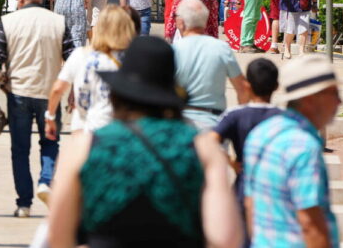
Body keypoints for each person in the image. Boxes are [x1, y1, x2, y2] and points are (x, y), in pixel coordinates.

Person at [45, 35, 243, 248]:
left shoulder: (83, 147)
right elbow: (225, 238)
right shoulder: (203, 148)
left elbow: (58, 235)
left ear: (116, 93)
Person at [243, 55, 342, 248]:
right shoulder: (304, 147)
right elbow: (309, 224)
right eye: (333, 93)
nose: (340, 101)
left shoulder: (261, 133)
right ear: (310, 98)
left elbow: (250, 204)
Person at [0, 0, 68, 216]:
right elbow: (71, 54)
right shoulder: (58, 21)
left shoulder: (8, 21)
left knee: (20, 149)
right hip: (49, 92)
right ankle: (46, 181)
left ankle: (24, 203)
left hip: (19, 92)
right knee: (50, 142)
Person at [47, 6, 136, 136]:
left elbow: (57, 89)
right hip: (117, 130)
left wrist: (50, 116)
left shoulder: (80, 54)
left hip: (83, 131)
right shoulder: (130, 59)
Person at [209, 59, 282, 215]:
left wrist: (230, 162)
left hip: (243, 188)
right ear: (276, 86)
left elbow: (210, 141)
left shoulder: (235, 115)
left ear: (247, 85)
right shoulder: (284, 118)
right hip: (274, 192)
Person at [173, 0, 250, 130]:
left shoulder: (172, 51)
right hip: (213, 124)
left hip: (180, 124)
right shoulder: (221, 48)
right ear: (205, 21)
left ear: (180, 22)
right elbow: (243, 88)